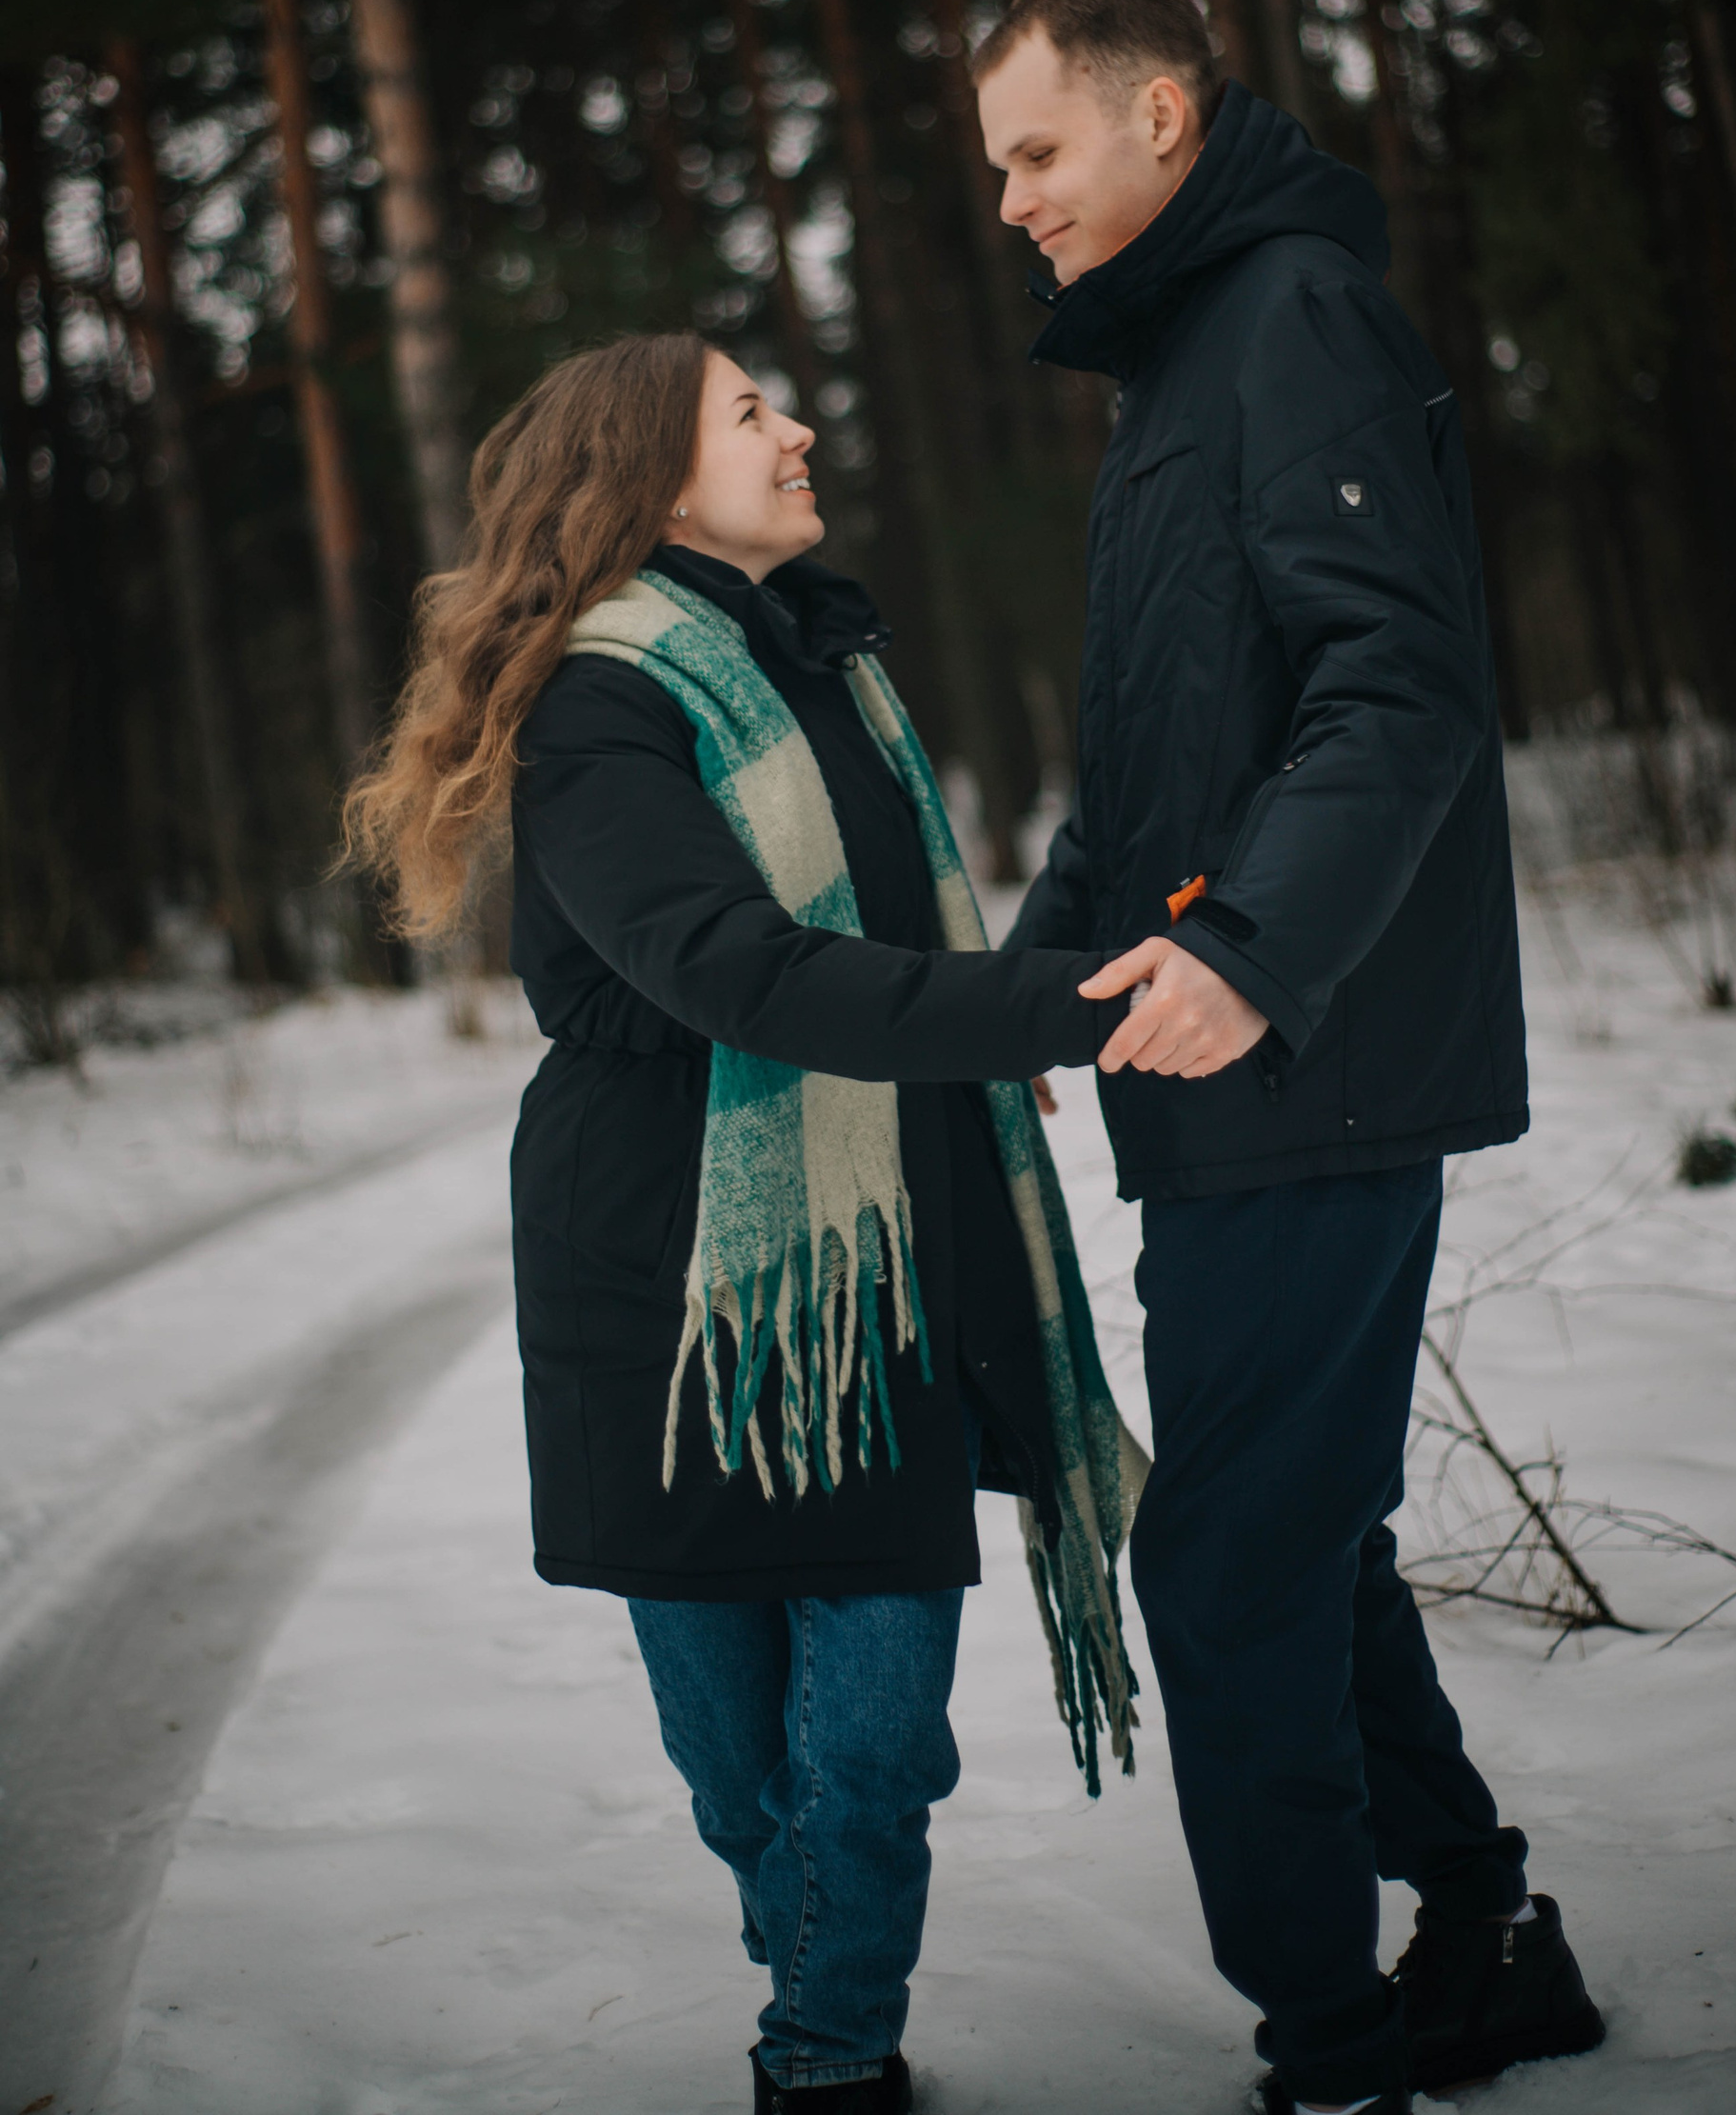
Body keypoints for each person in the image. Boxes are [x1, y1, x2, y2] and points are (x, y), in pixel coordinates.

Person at [344, 332, 1144, 2114]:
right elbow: (737, 971)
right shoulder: (599, 705)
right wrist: (1054, 1010)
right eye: (749, 412)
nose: (797, 432)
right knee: (732, 1753)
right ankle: (812, 1957)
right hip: (663, 1264)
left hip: (873, 1246)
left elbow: (893, 944)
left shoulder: (830, 668)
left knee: (876, 1736)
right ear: (647, 479)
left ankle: (829, 2050)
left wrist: (991, 1020)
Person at [976, 0, 1606, 2115]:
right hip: (1237, 1056)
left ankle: (1333, 2050)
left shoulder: (1292, 322)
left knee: (1231, 1559)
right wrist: (1037, 978)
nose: (1011, 202)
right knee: (1298, 1535)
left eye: (1036, 152)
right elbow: (1170, 757)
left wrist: (1250, 952)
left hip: (1304, 1058)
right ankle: (1484, 1935)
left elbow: (1397, 687)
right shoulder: (1187, 361)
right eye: (995, 168)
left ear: (1160, 114)